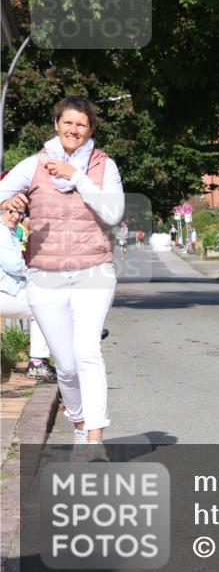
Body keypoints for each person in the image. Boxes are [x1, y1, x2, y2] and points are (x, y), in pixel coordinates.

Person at [0, 96, 125, 451]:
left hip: (93, 273)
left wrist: (78, 177)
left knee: (87, 352)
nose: (74, 129)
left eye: (81, 125)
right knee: (67, 366)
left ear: (90, 130)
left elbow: (113, 213)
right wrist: (10, 202)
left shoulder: (104, 167)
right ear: (56, 124)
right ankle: (80, 422)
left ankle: (95, 441)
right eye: (68, 123)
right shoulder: (34, 165)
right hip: (45, 275)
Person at [0, 206, 57, 382]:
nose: (16, 216)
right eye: (11, 211)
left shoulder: (8, 231)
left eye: (20, 213)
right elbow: (14, 266)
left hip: (8, 291)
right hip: (5, 293)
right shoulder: (2, 233)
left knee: (49, 302)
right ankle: (38, 363)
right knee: (45, 306)